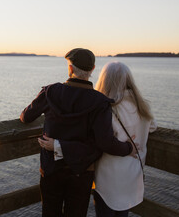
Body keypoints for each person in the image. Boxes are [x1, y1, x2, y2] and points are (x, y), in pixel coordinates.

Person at [20, 48, 137, 217]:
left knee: (50, 213)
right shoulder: (100, 102)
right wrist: (128, 148)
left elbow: (26, 117)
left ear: (71, 68)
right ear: (92, 69)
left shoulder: (50, 92)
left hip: (51, 168)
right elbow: (105, 142)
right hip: (82, 171)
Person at [93, 61, 157, 217]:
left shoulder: (105, 108)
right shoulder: (141, 106)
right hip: (131, 174)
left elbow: (101, 139)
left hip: (107, 176)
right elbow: (153, 127)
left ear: (104, 80)